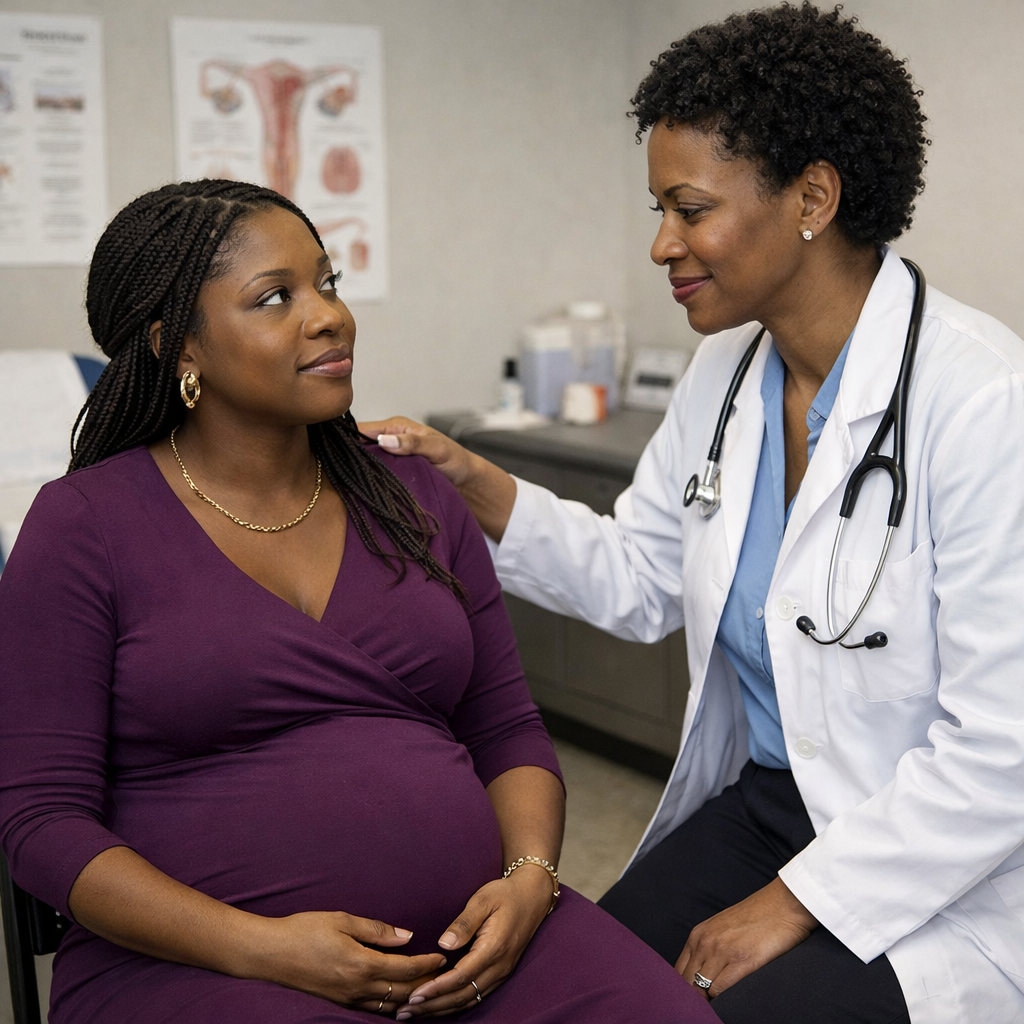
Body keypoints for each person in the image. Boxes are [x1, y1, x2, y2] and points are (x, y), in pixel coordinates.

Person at [364, 5, 1024, 1023]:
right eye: (656, 209)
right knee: (559, 994)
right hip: (772, 804)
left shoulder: (981, 400)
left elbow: (1002, 748)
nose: (661, 243)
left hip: (947, 855)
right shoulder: (727, 371)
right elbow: (638, 580)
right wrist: (471, 483)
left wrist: (795, 902)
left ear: (811, 197)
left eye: (688, 207)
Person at [0, 179, 718, 1024]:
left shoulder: (411, 495)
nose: (330, 315)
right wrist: (259, 947)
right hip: (208, 966)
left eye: (327, 283)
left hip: (477, 948)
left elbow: (508, 728)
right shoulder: (85, 525)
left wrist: (529, 881)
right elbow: (40, 819)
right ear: (177, 347)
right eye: (275, 298)